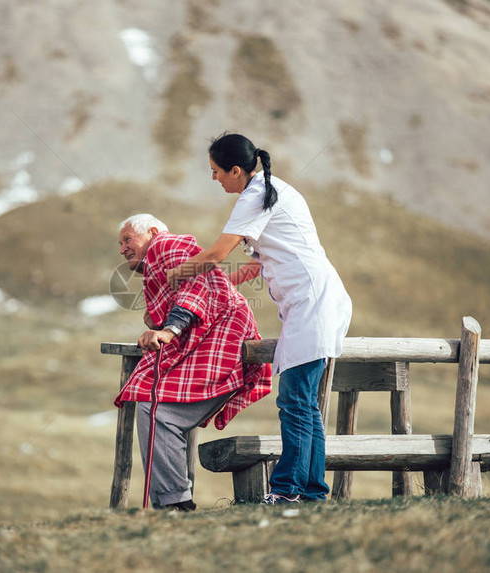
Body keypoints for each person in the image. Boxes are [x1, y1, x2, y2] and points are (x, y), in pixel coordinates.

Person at [167, 133, 352, 504]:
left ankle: (286, 491)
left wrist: (177, 274)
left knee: (294, 401)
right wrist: (229, 285)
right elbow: (259, 261)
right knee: (304, 403)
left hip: (311, 302)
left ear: (236, 170)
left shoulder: (254, 195)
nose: (215, 179)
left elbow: (218, 252)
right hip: (318, 299)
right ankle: (312, 492)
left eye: (216, 172)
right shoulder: (271, 189)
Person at [114, 213, 272, 511]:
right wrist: (157, 320)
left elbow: (195, 287)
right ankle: (171, 503)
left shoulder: (165, 245)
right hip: (215, 337)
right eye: (120, 243)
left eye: (127, 240)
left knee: (158, 409)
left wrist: (169, 328)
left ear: (150, 232)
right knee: (152, 403)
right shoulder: (158, 267)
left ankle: (175, 503)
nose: (122, 249)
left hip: (222, 336)